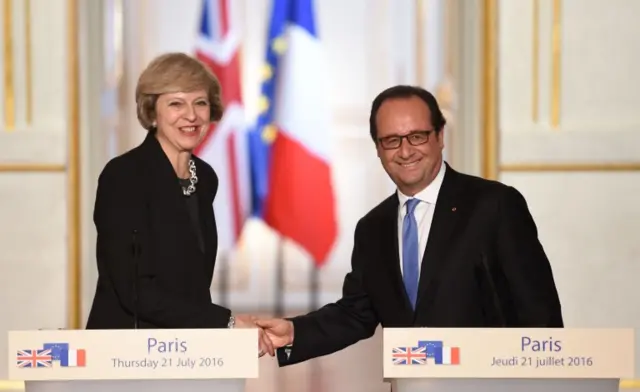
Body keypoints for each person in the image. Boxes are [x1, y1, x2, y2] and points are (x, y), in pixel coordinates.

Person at [256, 85, 563, 366]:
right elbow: (356, 313)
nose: (405, 151)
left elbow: (539, 313)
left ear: (440, 136)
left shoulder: (494, 205)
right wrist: (295, 332)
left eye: (417, 136)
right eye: (391, 140)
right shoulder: (372, 228)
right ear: (378, 148)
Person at [85, 52, 273, 356]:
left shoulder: (206, 178)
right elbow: (134, 290)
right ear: (152, 111)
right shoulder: (124, 176)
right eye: (176, 104)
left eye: (200, 103)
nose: (191, 115)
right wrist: (225, 322)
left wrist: (224, 325)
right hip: (126, 354)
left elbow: (190, 287)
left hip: (186, 351)